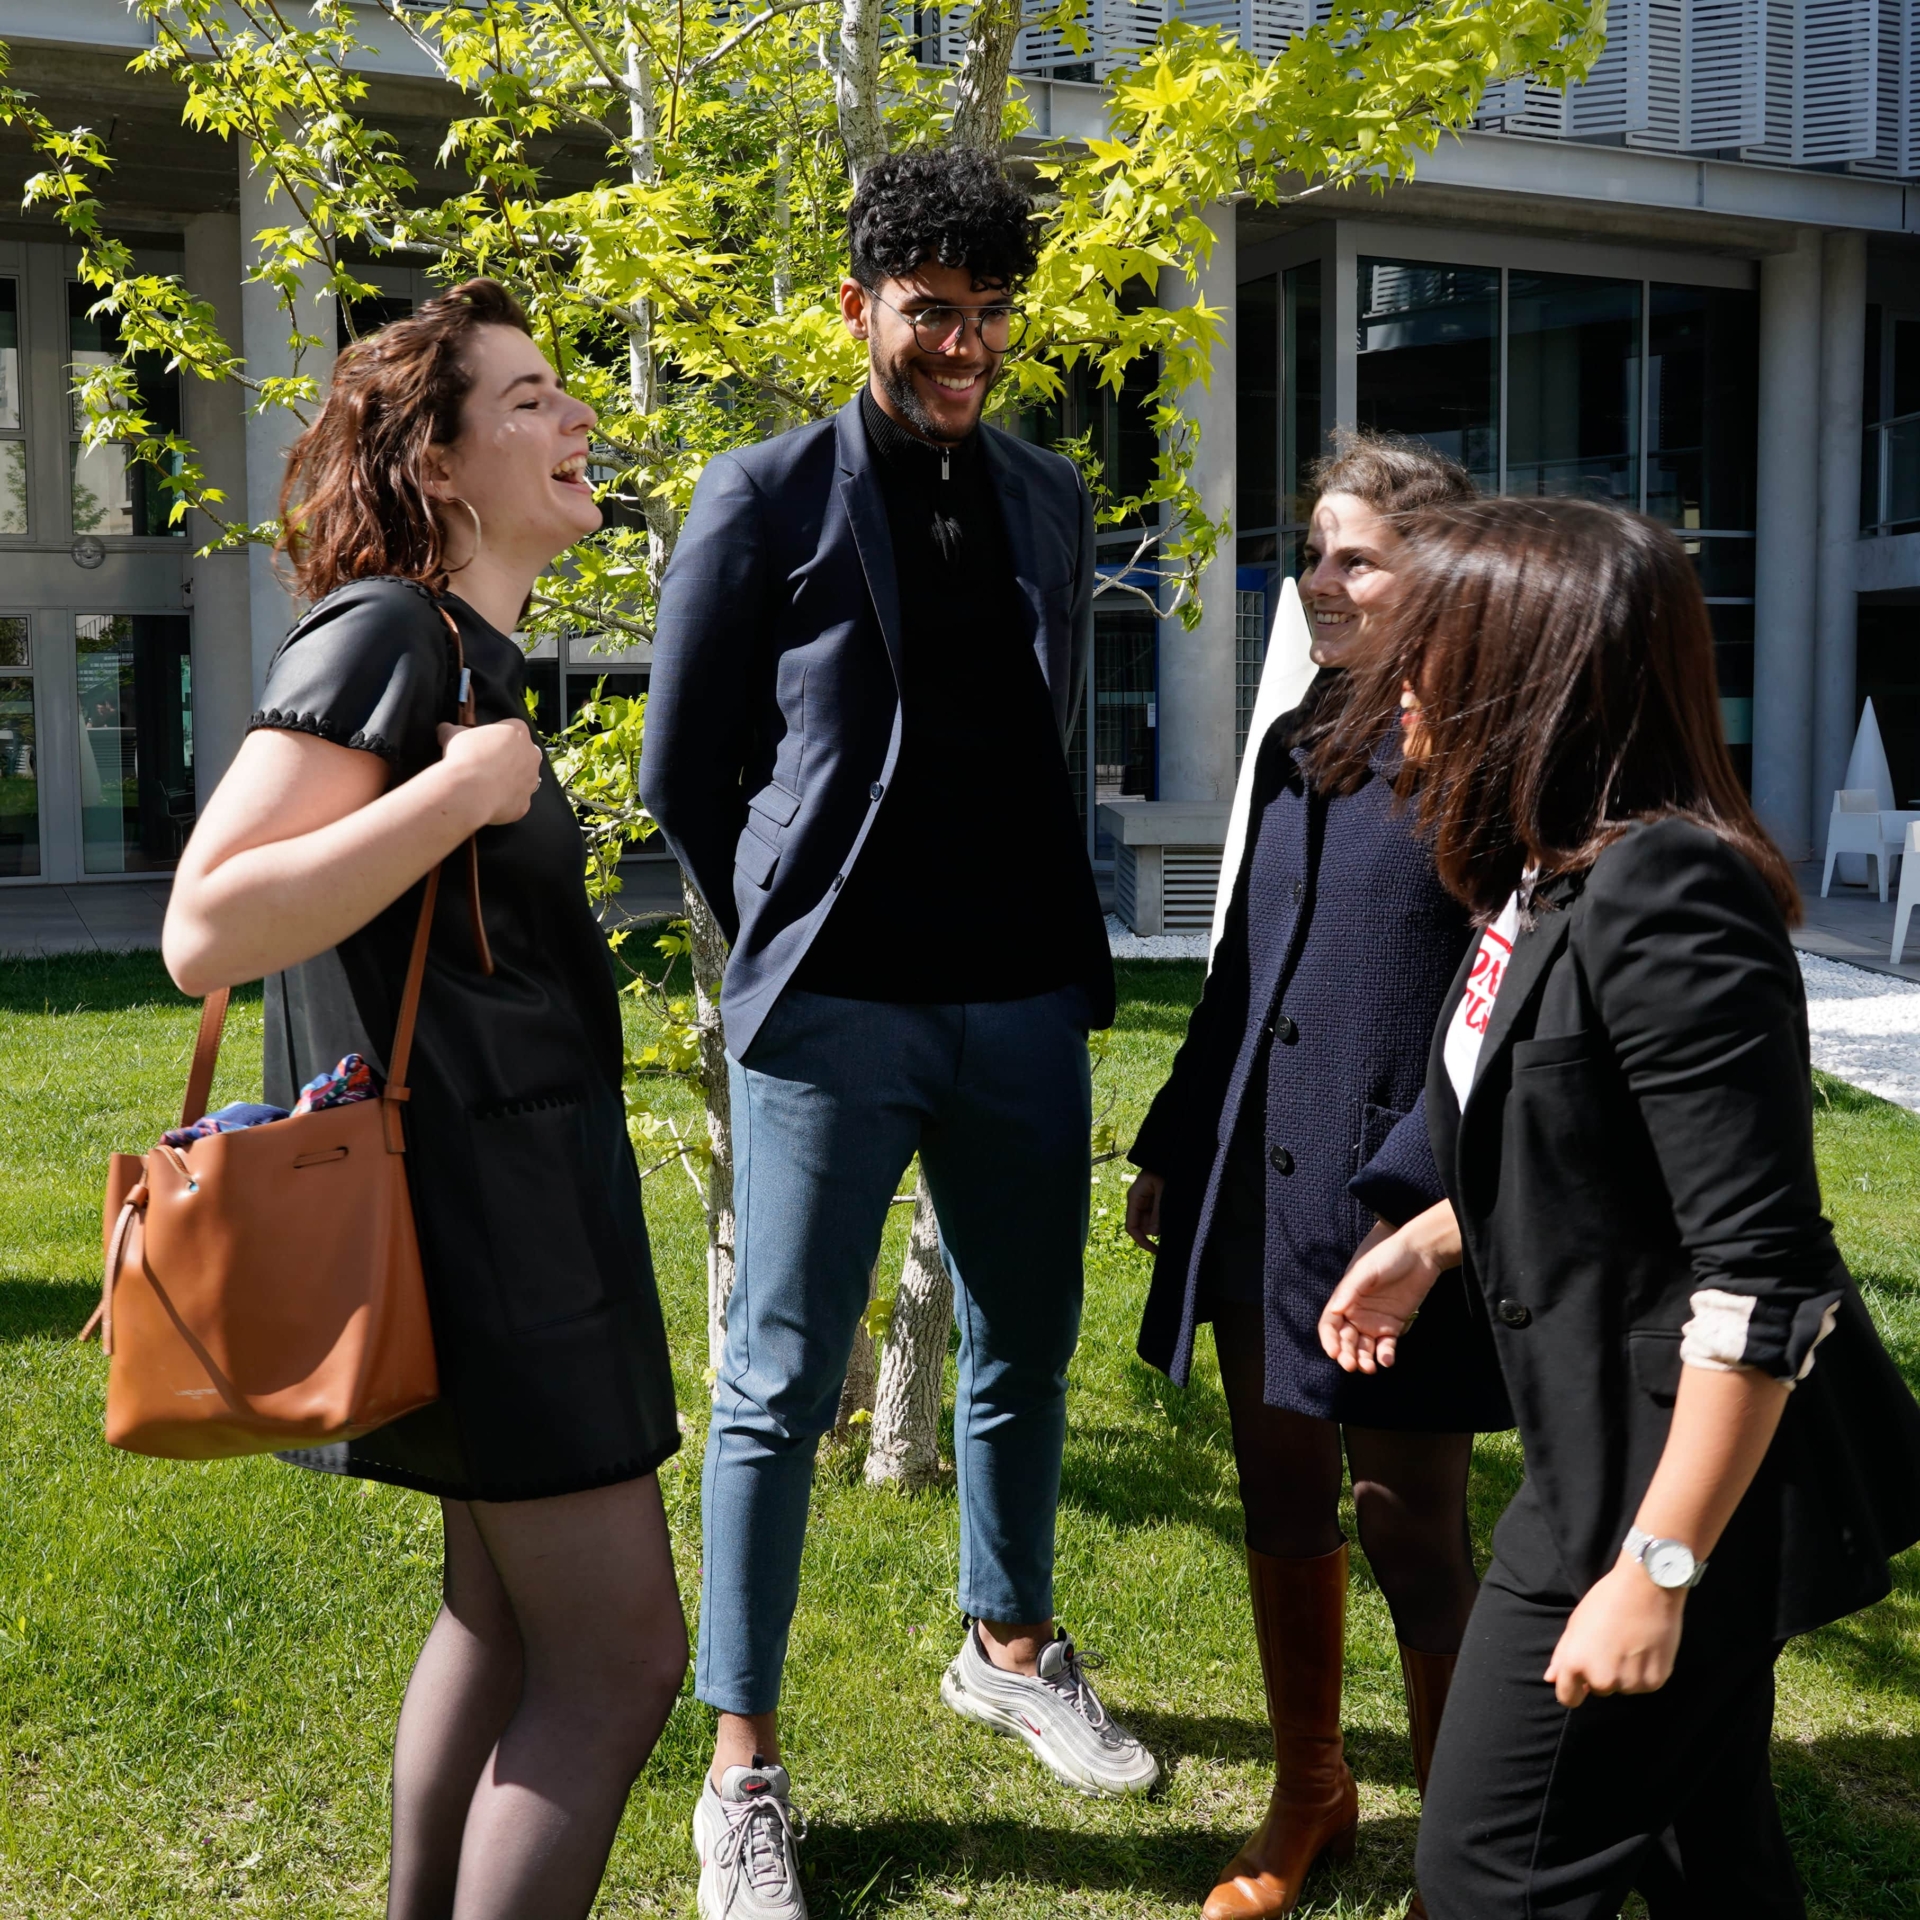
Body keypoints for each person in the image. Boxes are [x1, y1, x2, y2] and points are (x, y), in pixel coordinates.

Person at [640, 146, 1151, 1920]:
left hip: (1021, 1002)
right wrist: (777, 945)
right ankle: (743, 1771)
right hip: (837, 1011)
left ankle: (1008, 1646)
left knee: (1025, 1343)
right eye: (933, 311)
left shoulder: (1045, 492)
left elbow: (1045, 716)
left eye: (992, 315)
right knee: (777, 1386)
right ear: (857, 306)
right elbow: (680, 773)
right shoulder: (763, 496)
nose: (964, 347)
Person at [162, 280, 686, 1920]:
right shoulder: (392, 634)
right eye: (528, 399)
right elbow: (208, 925)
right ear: (441, 461)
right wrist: (458, 795)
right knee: (619, 1664)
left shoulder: (467, 648)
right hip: (491, 1219)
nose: (575, 417)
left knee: (503, 1619)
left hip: (511, 1196)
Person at [1315, 497, 1920, 1919]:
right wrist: (1429, 1238)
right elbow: (1595, 1141)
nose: (1402, 681)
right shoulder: (1546, 870)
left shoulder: (1668, 891)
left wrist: (1657, 1568)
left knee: (1486, 1880)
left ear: (1531, 670)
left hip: (1658, 1493)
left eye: (1434, 650)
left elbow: (1762, 1272)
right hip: (1622, 1453)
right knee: (1704, 1847)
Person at [1125, 430, 1510, 1920]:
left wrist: (1424, 1197)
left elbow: (1507, 1003)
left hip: (1401, 1207)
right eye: (1315, 550)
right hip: (1258, 1187)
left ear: (1439, 573)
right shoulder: (1300, 739)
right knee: (1280, 1490)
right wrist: (1176, 1131)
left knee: (1412, 1521)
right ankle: (1313, 1793)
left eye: (1358, 555)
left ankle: (1464, 1859)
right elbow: (1243, 964)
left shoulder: (1496, 756)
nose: (1322, 579)